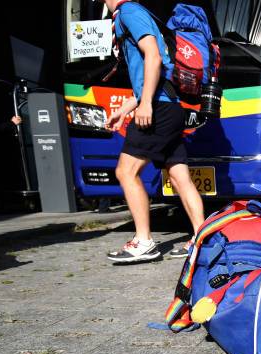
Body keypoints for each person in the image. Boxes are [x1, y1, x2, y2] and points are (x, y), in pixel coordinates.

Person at [99, 0, 204, 263]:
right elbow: (155, 73)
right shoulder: (134, 13)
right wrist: (127, 107)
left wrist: (145, 103)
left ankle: (144, 241)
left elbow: (154, 56)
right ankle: (202, 240)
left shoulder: (130, 12)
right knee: (180, 176)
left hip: (159, 108)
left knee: (126, 171)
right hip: (167, 106)